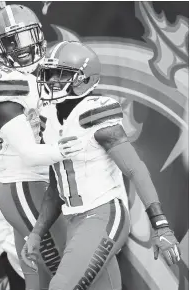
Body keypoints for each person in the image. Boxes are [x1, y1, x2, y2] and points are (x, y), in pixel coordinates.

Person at [21, 41, 181, 290]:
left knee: (60, 287)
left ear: (83, 80)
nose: (51, 81)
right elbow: (56, 188)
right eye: (49, 74)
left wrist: (161, 225)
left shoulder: (95, 114)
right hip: (75, 220)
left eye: (60, 74)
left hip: (104, 214)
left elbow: (135, 168)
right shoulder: (48, 119)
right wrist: (36, 233)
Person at [0, 6, 82, 290]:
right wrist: (71, 149)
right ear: (0, 47)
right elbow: (28, 150)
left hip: (49, 182)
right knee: (65, 269)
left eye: (26, 37)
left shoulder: (52, 68)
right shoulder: (0, 83)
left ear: (38, 34)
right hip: (24, 184)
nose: (21, 48)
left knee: (38, 274)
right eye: (11, 41)